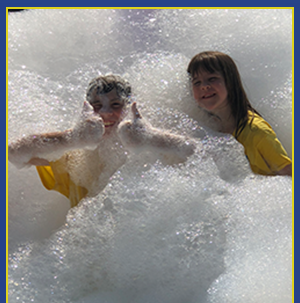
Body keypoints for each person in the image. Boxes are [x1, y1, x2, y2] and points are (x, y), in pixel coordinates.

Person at [8, 74, 196, 207]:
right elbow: (13, 153)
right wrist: (72, 139)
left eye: (115, 105)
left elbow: (201, 155)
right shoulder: (75, 153)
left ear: (128, 107)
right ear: (87, 109)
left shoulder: (141, 140)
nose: (106, 113)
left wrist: (154, 138)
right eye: (97, 106)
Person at [187, 51, 292, 176]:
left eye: (212, 79)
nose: (204, 86)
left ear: (230, 82)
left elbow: (289, 175)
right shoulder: (205, 125)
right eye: (196, 82)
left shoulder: (256, 132)